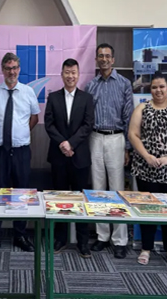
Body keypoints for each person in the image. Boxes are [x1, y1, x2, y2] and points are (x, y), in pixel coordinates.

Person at [128, 72, 167, 267]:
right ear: (150, 89)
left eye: (162, 86)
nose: (158, 90)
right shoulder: (142, 108)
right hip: (146, 169)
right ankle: (146, 248)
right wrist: (147, 156)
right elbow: (133, 134)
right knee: (147, 211)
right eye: (154, 87)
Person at [0, 52, 40, 255]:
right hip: (0, 151)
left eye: (14, 68)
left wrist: (19, 133)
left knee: (21, 193)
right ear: (2, 70)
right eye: (8, 68)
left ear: (19, 69)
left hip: (21, 151)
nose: (11, 72)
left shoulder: (28, 92)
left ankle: (20, 235)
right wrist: (2, 135)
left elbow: (34, 118)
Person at [85, 43, 133, 259]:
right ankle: (102, 235)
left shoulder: (124, 84)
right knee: (98, 190)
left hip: (116, 138)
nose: (103, 59)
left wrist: (128, 148)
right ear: (96, 59)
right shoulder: (90, 86)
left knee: (117, 190)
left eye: (107, 56)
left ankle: (120, 239)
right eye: (100, 56)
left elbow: (129, 116)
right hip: (95, 138)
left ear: (113, 60)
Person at [44, 59, 95, 258]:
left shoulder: (87, 98)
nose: (70, 76)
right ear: (62, 74)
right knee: (59, 200)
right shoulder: (53, 97)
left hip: (79, 157)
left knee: (81, 200)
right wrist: (63, 144)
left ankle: (83, 242)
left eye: (73, 72)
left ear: (78, 74)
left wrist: (71, 144)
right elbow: (49, 125)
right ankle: (60, 239)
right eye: (67, 72)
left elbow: (88, 125)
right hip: (58, 157)